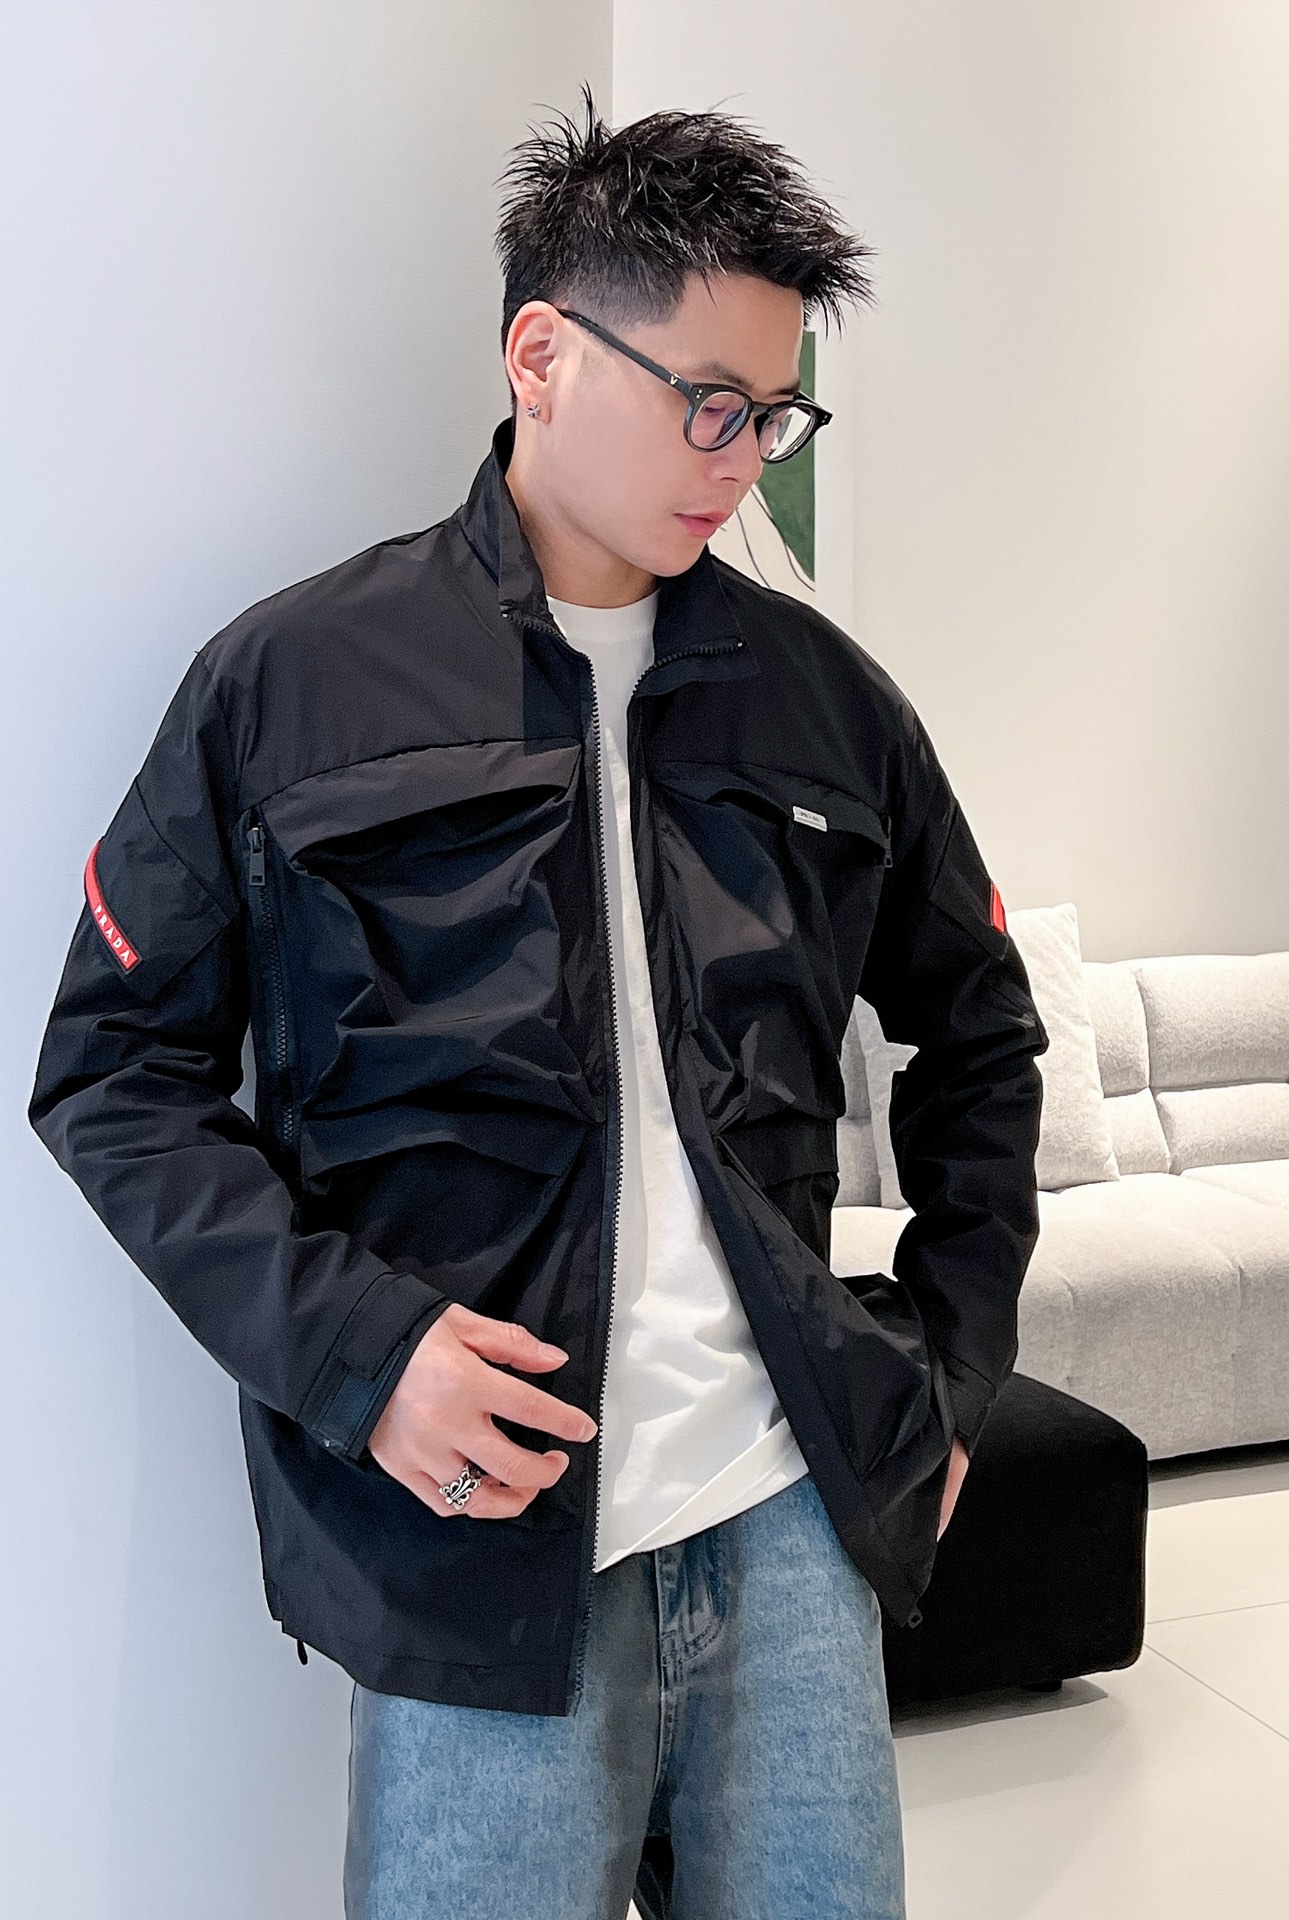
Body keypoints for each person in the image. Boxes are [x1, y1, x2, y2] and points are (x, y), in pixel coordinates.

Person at [29, 82, 1048, 1920]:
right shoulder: (293, 684)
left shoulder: (826, 703)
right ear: (540, 354)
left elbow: (980, 1033)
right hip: (476, 1553)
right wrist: (358, 1356)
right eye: (709, 403)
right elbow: (111, 1072)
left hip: (789, 1515)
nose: (743, 462)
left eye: (775, 415)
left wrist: (954, 1366)